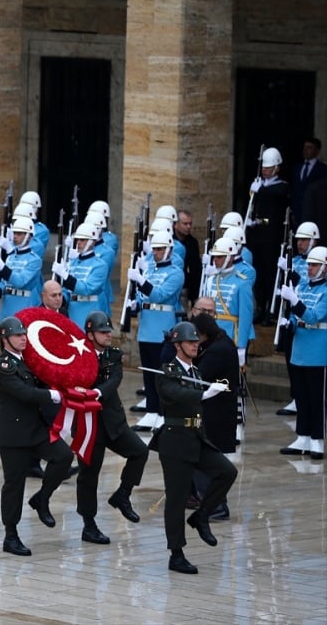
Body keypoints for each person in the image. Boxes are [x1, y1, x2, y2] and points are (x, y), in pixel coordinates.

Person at [151, 321, 238, 574]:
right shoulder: (167, 370)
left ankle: (201, 516)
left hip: (197, 438)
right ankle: (176, 554)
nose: (195, 345)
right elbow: (173, 394)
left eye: (196, 342)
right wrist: (203, 394)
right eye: (190, 342)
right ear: (178, 345)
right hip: (175, 441)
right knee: (176, 500)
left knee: (227, 472)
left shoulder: (196, 372)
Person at [0, 316, 73, 557]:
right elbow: (23, 393)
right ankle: (11, 535)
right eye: (17, 335)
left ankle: (42, 497)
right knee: (14, 484)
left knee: (63, 457)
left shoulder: (26, 361)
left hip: (35, 430)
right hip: (13, 434)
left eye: (24, 334)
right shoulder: (4, 365)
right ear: (5, 339)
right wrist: (52, 395)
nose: (23, 338)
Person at [74, 311, 149, 544]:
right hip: (88, 422)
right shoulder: (77, 354)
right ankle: (89, 524)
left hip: (112, 420)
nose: (108, 335)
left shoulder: (113, 354)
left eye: (109, 331)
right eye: (103, 332)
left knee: (140, 451)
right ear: (90, 334)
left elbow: (114, 379)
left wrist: (96, 392)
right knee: (89, 475)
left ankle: (122, 494)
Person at [127, 230, 185, 432]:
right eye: (155, 249)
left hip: (163, 326)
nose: (156, 253)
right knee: (149, 372)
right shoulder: (150, 269)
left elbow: (160, 295)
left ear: (169, 249)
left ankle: (163, 412)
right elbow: (145, 297)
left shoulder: (176, 272)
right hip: (146, 326)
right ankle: (151, 411)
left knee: (163, 374)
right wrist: (135, 301)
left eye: (160, 249)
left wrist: (141, 281)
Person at [278, 245, 327, 459]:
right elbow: (297, 317)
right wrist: (289, 323)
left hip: (318, 348)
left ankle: (317, 440)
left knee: (316, 398)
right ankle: (303, 437)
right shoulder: (304, 286)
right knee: (302, 396)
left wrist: (295, 302)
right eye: (309, 264)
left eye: (315, 265)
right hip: (299, 346)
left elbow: (314, 316)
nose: (310, 268)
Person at [190, 311, 239, 520]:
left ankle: (217, 506)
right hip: (217, 412)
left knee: (205, 460)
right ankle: (201, 499)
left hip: (215, 415)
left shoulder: (218, 351)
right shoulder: (221, 342)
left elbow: (198, 377)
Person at [246, 147, 290, 324]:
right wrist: (250, 220)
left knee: (270, 273)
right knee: (258, 273)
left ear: (277, 168)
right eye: (263, 168)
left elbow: (278, 194)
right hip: (258, 234)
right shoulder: (259, 184)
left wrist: (261, 190)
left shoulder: (281, 186)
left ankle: (271, 311)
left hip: (272, 236)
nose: (265, 171)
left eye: (268, 168)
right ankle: (260, 307)